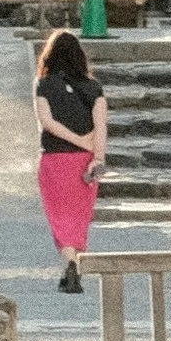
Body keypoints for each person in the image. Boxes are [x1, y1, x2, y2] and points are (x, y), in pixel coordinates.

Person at [30, 20, 106, 293]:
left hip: (54, 159)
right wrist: (97, 155)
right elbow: (101, 125)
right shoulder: (93, 88)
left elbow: (46, 122)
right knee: (79, 215)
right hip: (84, 161)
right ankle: (74, 263)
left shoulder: (43, 84)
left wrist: (74, 139)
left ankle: (69, 263)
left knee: (58, 215)